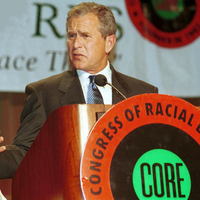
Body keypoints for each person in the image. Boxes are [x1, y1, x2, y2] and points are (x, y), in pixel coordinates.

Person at [0, 2, 158, 179]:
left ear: (109, 42)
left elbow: (152, 152)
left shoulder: (141, 94)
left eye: (85, 36)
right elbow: (25, 152)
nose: (76, 44)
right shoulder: (44, 93)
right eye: (71, 35)